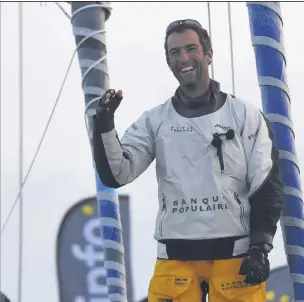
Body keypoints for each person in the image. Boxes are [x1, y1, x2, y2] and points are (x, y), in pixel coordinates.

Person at [93, 19, 284, 302]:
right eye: (175, 52)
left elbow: (266, 184)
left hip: (236, 259)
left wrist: (260, 247)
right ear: (168, 61)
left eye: (191, 49)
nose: (183, 58)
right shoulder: (154, 122)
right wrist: (105, 124)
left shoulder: (245, 115)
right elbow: (117, 174)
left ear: (208, 54)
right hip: (175, 261)